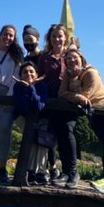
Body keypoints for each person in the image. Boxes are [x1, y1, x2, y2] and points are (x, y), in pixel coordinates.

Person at [58, 49, 104, 192]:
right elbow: (62, 93)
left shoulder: (91, 73)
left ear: (82, 59)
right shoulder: (69, 74)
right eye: (68, 59)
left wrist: (75, 96)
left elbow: (87, 96)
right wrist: (77, 97)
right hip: (93, 109)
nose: (71, 61)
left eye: (74, 58)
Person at [35, 23, 72, 183]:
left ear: (65, 38)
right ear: (49, 38)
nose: (57, 39)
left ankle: (69, 172)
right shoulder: (44, 56)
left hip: (66, 101)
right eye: (54, 36)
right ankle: (53, 169)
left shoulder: (70, 54)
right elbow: (40, 75)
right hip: (49, 100)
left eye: (60, 36)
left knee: (66, 135)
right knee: (49, 136)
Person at [0, 25, 24, 183]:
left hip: (7, 94)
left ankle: (4, 164)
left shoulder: (16, 56)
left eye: (10, 35)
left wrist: (10, 98)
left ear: (14, 38)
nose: (7, 38)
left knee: (4, 129)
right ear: (0, 35)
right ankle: (0, 167)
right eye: (5, 34)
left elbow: (16, 78)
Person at [12, 62, 51, 185]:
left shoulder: (43, 86)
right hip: (22, 117)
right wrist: (29, 88)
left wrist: (31, 87)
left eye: (31, 71)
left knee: (42, 139)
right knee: (32, 137)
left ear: (36, 74)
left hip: (41, 118)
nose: (28, 74)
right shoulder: (17, 87)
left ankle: (41, 172)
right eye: (25, 72)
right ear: (20, 75)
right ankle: (30, 171)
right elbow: (24, 107)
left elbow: (39, 106)